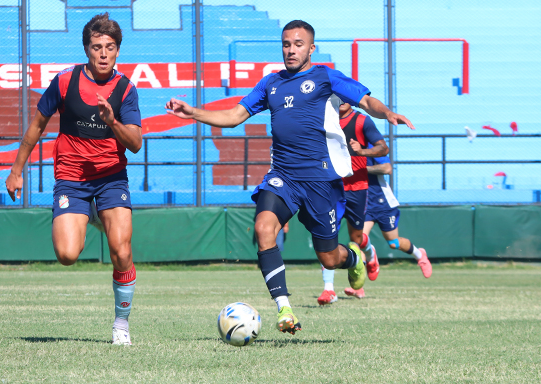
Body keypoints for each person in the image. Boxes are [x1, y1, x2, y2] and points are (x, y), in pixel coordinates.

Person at [166, 20, 414, 334]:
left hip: (320, 181)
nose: (291, 49)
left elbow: (365, 100)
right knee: (263, 227)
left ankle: (353, 259)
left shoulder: (324, 77)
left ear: (311, 48)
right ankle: (284, 309)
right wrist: (193, 112)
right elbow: (234, 116)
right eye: (286, 44)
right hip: (283, 175)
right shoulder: (271, 83)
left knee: (329, 256)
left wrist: (387, 113)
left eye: (298, 44)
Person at [5, 13, 142, 345]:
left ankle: (121, 324)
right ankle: (93, 215)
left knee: (121, 250)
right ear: (87, 49)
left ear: (118, 51)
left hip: (111, 178)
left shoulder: (125, 89)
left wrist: (112, 121)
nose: (104, 54)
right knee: (67, 255)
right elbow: (36, 127)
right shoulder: (65, 82)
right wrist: (16, 170)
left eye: (110, 47)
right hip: (71, 178)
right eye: (97, 47)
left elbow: (135, 144)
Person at [317, 105, 388, 306]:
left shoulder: (362, 121)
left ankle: (371, 255)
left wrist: (362, 151)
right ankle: (328, 290)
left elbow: (384, 148)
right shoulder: (325, 119)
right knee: (327, 238)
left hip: (357, 187)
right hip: (331, 186)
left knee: (356, 238)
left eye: (344, 98)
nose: (340, 101)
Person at [345, 153, 432, 298]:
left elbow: (387, 168)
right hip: (363, 204)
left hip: (383, 203)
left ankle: (420, 255)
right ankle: (358, 286)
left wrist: (363, 169)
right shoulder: (344, 149)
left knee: (393, 243)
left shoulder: (372, 147)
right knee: (358, 242)